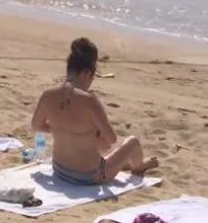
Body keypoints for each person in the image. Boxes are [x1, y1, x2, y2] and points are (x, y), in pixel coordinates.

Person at [31, 38, 159, 184]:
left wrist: (59, 129)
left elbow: (36, 126)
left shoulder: (48, 95)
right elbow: (112, 139)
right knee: (132, 143)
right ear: (86, 73)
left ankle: (123, 163)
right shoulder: (89, 100)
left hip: (59, 169)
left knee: (92, 137)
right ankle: (139, 167)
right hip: (88, 176)